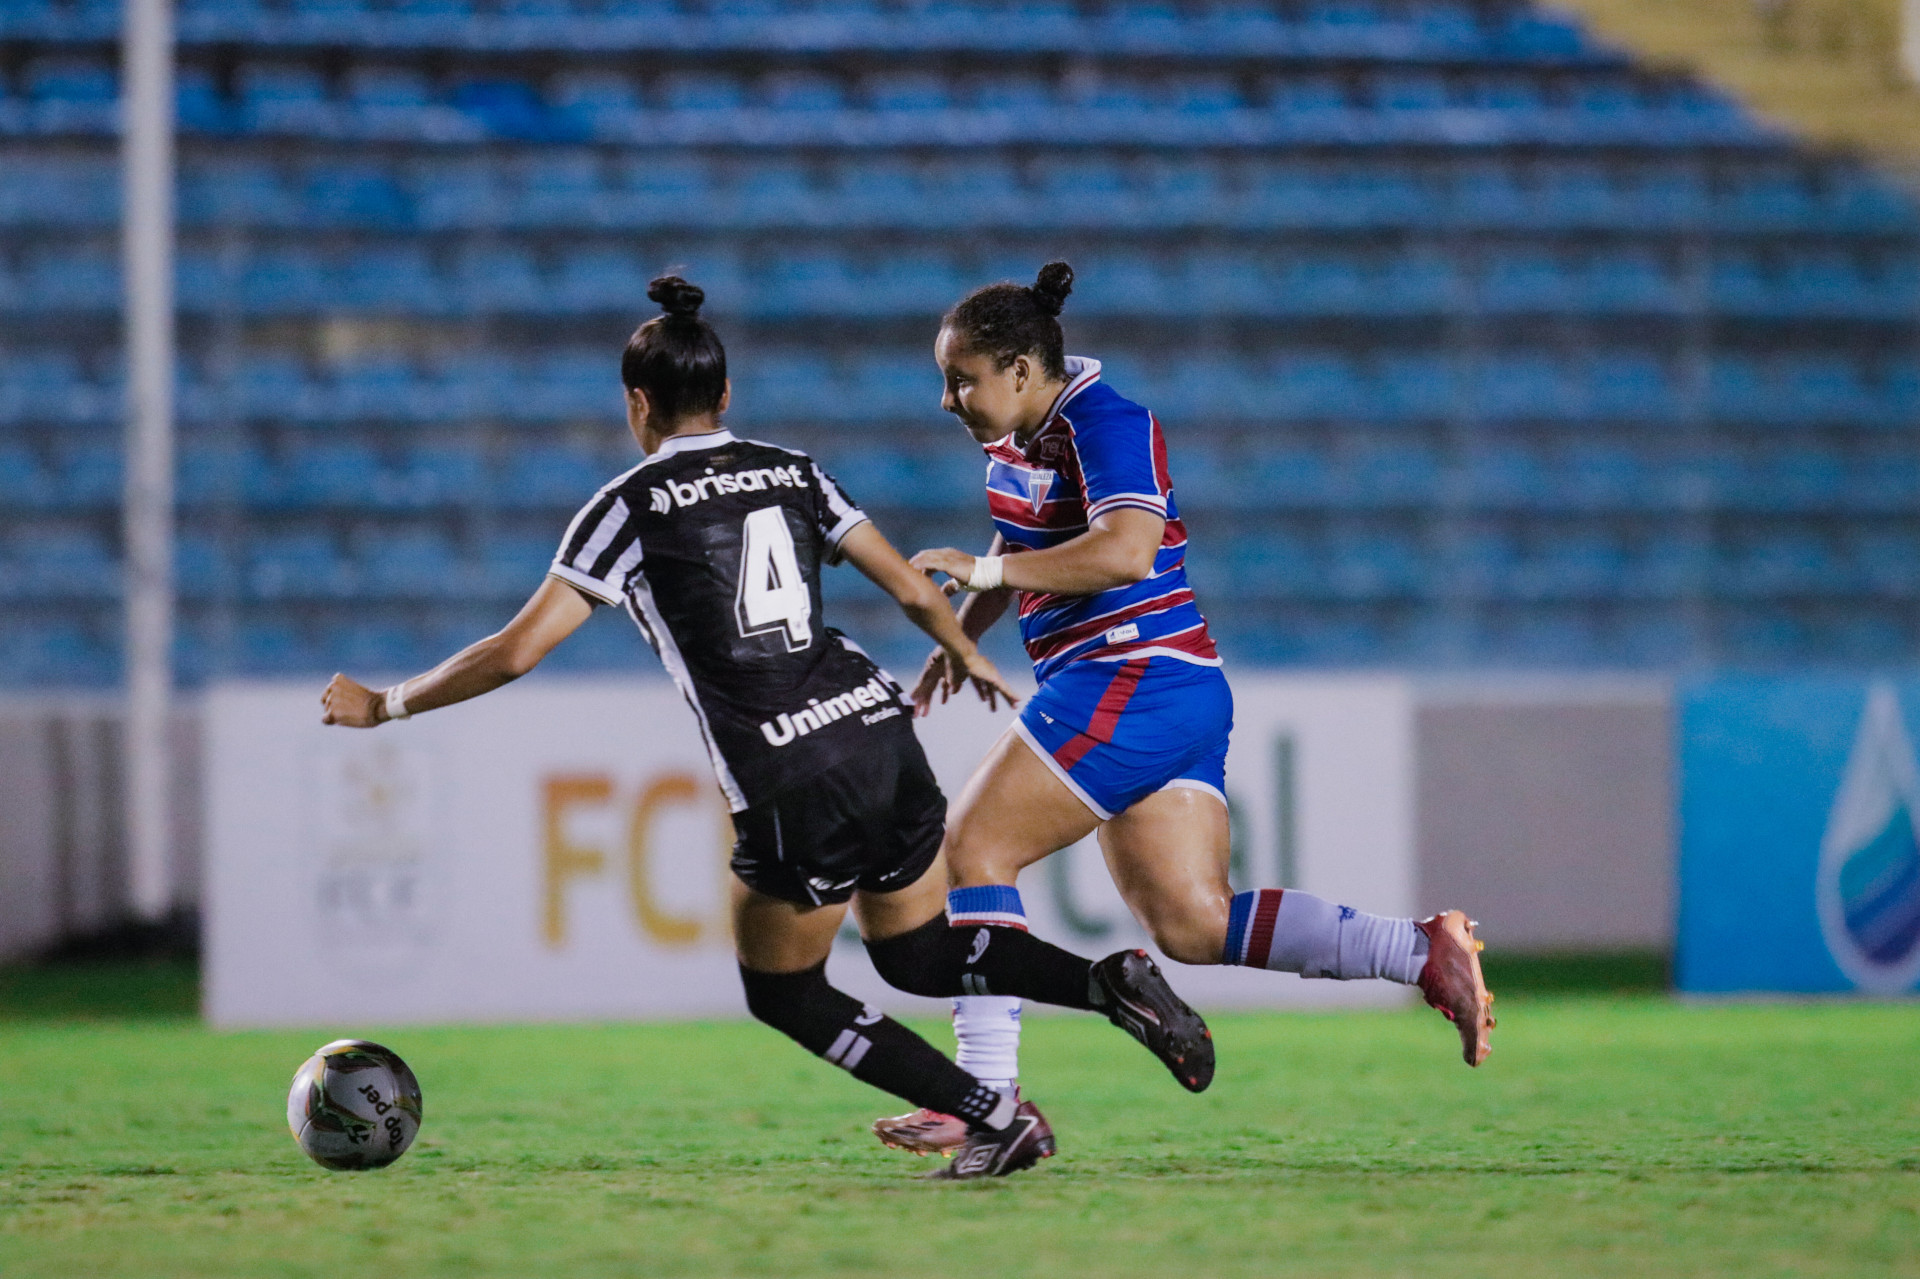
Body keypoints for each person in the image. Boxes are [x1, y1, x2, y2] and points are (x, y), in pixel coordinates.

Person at [319, 276, 1199, 1180]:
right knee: (920, 951)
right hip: (879, 728)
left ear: (636, 402)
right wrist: (966, 653)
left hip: (791, 766)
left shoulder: (627, 505)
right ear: (726, 395)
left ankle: (991, 1114)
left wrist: (385, 702)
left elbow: (514, 651)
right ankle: (1104, 982)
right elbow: (905, 582)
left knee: (784, 991)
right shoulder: (794, 469)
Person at [868, 261, 1497, 1153]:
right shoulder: (1018, 433)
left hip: (1131, 675)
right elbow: (1024, 531)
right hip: (1172, 688)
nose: (947, 399)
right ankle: (1418, 950)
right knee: (1192, 923)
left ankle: (988, 1102)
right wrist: (961, 638)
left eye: (959, 378)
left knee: (974, 847)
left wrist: (986, 573)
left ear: (1018, 368)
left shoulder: (1109, 421)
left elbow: (1125, 552)